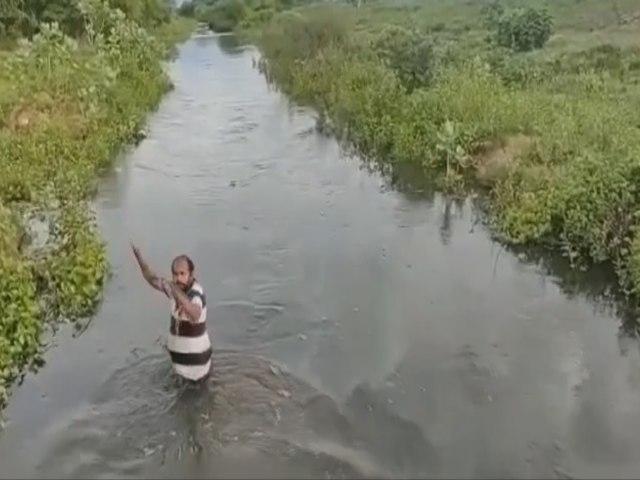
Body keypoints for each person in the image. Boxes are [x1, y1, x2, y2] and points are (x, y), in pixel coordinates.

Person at [131, 243, 212, 383]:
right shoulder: (174, 289)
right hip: (180, 369)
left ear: (191, 274)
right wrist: (140, 260)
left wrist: (176, 292)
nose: (178, 278)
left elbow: (195, 314)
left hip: (197, 371)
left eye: (182, 274)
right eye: (175, 274)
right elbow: (152, 279)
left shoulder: (196, 293)